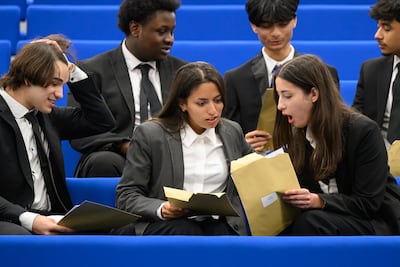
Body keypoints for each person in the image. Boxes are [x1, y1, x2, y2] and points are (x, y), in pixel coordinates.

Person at [0, 35, 136, 235]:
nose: (60, 94)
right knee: (20, 236)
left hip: (54, 215)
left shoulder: (47, 116)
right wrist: (31, 220)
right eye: (55, 84)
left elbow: (102, 121)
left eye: (62, 84)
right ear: (28, 77)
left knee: (124, 227)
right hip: (10, 218)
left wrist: (71, 70)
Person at [116, 62, 253, 235]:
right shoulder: (150, 135)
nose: (213, 111)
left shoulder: (231, 131)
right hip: (168, 224)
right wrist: (162, 208)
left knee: (222, 235)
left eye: (218, 101)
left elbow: (257, 173)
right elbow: (127, 195)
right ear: (182, 104)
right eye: (202, 103)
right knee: (187, 230)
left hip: (217, 222)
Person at [272, 54, 400, 235]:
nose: (280, 106)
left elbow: (368, 204)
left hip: (375, 221)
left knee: (310, 222)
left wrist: (318, 201)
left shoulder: (363, 131)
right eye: (278, 97)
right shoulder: (297, 137)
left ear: (314, 94)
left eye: (287, 96)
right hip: (328, 218)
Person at [67, 0, 187, 177]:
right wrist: (125, 146)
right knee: (102, 162)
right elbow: (79, 131)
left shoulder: (182, 73)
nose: (170, 39)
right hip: (118, 156)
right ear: (135, 29)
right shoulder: (91, 71)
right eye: (161, 32)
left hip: (171, 155)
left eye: (172, 32)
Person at [224, 0, 339, 152]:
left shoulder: (324, 73)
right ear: (254, 26)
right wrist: (242, 145)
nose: (275, 33)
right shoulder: (236, 79)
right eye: (267, 26)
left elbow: (333, 121)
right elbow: (228, 132)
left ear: (294, 21)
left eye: (282, 24)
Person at [352, 0, 400, 149]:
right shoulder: (370, 70)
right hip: (376, 161)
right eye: (378, 27)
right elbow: (354, 121)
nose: (377, 35)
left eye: (386, 28)